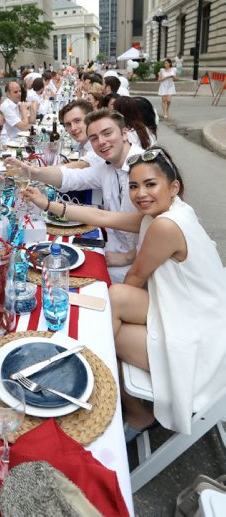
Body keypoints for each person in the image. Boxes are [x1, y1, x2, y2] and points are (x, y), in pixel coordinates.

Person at [23, 147, 226, 438]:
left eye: (150, 184)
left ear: (174, 187)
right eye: (133, 186)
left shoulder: (165, 225)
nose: (140, 193)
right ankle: (113, 394)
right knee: (113, 300)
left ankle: (126, 409)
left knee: (103, 331)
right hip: (195, 309)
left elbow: (136, 276)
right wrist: (48, 205)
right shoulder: (171, 210)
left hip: (201, 341)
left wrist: (110, 323)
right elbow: (102, 218)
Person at [8, 108, 142, 283]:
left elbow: (156, 222)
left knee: (56, 277)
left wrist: (129, 256)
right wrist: (33, 172)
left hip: (136, 260)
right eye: (94, 138)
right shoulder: (107, 168)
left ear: (124, 133)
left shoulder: (144, 166)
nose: (101, 142)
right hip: (113, 246)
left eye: (107, 133)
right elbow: (71, 178)